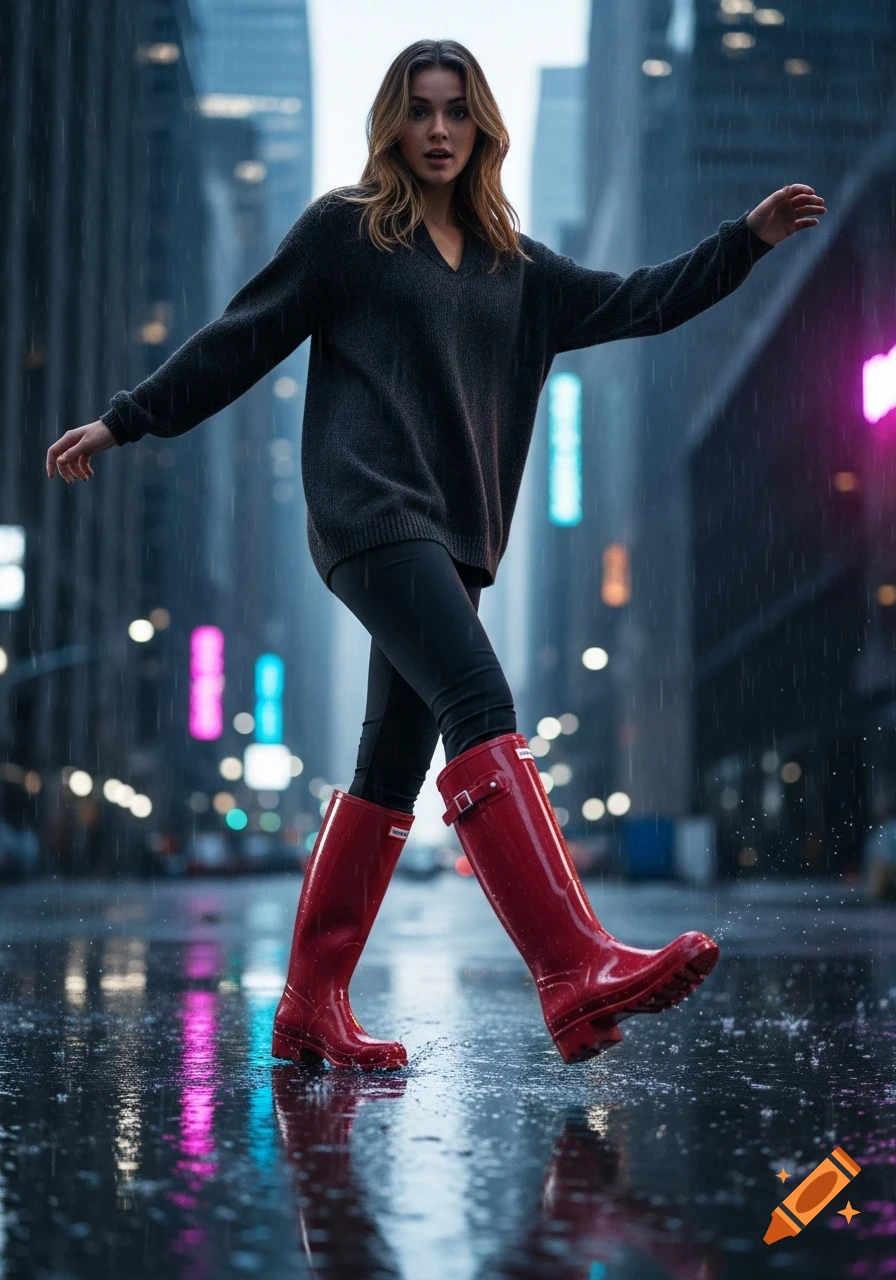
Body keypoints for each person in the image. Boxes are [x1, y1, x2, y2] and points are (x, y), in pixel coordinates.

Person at [46, 39, 826, 1071]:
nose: (439, 130)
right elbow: (240, 337)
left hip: (455, 538)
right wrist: (126, 419)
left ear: (481, 126)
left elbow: (644, 298)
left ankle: (311, 1002)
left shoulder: (518, 269)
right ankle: (569, 963)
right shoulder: (346, 233)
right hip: (370, 515)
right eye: (419, 111)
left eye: (455, 111)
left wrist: (747, 240)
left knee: (387, 767)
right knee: (477, 696)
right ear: (393, 124)